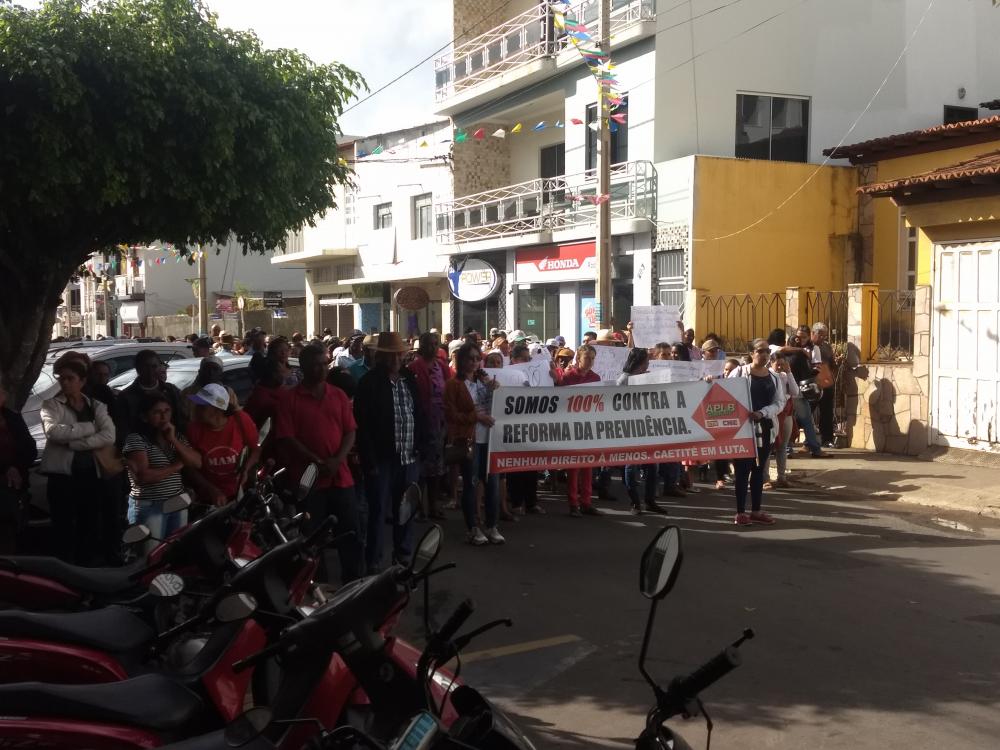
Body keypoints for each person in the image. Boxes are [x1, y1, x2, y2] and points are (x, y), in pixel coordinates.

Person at [276, 344, 362, 582]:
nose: (322, 368)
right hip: (308, 481)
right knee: (313, 538)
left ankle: (353, 584)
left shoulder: (338, 395)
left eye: (325, 363)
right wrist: (317, 461)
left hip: (340, 477)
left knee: (350, 534)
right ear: (303, 367)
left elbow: (350, 432)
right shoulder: (289, 399)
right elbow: (287, 437)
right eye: (316, 364)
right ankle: (317, 586)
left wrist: (337, 460)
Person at [355, 332, 427, 571]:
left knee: (405, 511)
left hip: (409, 457)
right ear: (381, 356)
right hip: (382, 460)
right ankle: (373, 563)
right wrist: (370, 461)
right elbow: (362, 426)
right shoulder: (369, 383)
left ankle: (402, 559)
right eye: (391, 355)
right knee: (377, 513)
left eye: (399, 354)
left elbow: (418, 414)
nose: (396, 358)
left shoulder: (408, 379)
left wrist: (421, 448)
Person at [40, 356, 116, 565]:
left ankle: (86, 566)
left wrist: (75, 443)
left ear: (82, 381)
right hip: (62, 476)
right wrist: (91, 428)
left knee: (89, 523)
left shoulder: (96, 405)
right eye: (62, 379)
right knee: (63, 526)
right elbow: (53, 432)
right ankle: (64, 569)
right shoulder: (52, 405)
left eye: (70, 378)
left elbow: (109, 436)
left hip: (90, 473)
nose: (65, 383)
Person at [445, 342, 504, 545]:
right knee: (470, 484)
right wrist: (475, 417)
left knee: (492, 483)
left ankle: (492, 525)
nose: (474, 362)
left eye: (477, 358)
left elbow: (498, 405)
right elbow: (451, 415)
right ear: (460, 360)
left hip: (490, 439)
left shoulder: (484, 381)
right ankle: (473, 527)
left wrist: (495, 389)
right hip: (470, 440)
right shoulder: (454, 384)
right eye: (470, 358)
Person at [123, 394, 202, 540]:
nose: (164, 416)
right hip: (150, 505)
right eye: (157, 412)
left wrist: (173, 440)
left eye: (167, 411)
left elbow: (197, 462)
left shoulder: (175, 436)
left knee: (173, 552)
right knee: (151, 554)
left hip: (177, 502)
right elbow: (143, 476)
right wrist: (176, 466)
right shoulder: (136, 439)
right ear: (144, 417)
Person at [726, 339, 786, 526]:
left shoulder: (774, 377)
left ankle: (756, 510)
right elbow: (725, 393)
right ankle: (740, 512)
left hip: (766, 428)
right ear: (751, 353)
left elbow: (779, 403)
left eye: (767, 351)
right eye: (760, 351)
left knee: (759, 470)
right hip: (742, 429)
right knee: (743, 470)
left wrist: (762, 413)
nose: (765, 354)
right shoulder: (739, 372)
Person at [185, 383, 259, 506]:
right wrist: (211, 489)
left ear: (217, 409)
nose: (196, 409)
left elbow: (255, 449)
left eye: (202, 407)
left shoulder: (240, 420)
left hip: (239, 494)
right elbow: (189, 468)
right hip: (209, 499)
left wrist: (245, 470)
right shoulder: (193, 430)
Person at [618, 348, 667, 515]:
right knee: (632, 465)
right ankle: (635, 502)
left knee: (653, 466)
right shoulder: (624, 380)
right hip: (631, 428)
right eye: (646, 360)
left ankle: (650, 500)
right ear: (639, 362)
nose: (648, 363)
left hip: (648, 427)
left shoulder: (648, 377)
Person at [408, 332, 449, 522]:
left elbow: (449, 391)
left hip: (439, 422)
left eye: (435, 343)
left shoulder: (442, 366)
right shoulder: (413, 368)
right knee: (420, 470)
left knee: (436, 469)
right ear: (421, 346)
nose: (433, 347)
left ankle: (434, 504)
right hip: (421, 424)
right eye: (429, 344)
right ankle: (417, 507)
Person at [557, 345, 602, 516]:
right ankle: (573, 503)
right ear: (578, 359)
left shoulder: (596, 377)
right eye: (587, 358)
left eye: (592, 358)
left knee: (588, 467)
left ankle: (586, 502)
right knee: (574, 467)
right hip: (572, 427)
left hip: (589, 427)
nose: (590, 361)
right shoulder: (568, 377)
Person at [114, 349, 184, 447]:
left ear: (159, 367)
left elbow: (181, 419)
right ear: (138, 369)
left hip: (171, 444)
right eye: (146, 367)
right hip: (141, 448)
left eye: (154, 366)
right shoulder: (126, 396)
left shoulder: (171, 391)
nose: (150, 371)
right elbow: (123, 429)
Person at [0, 383, 36, 553]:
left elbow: (29, 448)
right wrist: (6, 468)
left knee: (13, 530)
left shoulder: (12, 418)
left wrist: (16, 467)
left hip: (14, 485)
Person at [765, 353, 797, 489]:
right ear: (771, 363)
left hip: (786, 414)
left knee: (782, 446)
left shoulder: (784, 376)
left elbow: (795, 391)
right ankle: (765, 478)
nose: (780, 366)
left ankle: (781, 477)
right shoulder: (767, 375)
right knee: (767, 448)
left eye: (782, 364)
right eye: (777, 363)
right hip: (771, 414)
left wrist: (789, 373)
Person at [180, 356, 240, 424]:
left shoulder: (228, 392)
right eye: (207, 369)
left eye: (215, 369)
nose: (211, 372)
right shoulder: (188, 393)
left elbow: (234, 415)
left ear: (221, 374)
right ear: (200, 372)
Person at [808, 322, 837, 448]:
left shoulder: (826, 347)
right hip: (811, 383)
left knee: (827, 412)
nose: (822, 339)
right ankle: (805, 441)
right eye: (820, 336)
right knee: (807, 412)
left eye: (824, 336)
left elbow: (831, 363)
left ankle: (827, 439)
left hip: (826, 383)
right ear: (813, 334)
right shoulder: (806, 347)